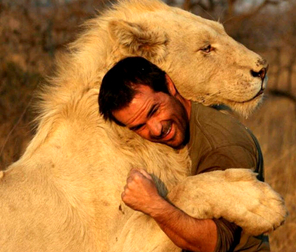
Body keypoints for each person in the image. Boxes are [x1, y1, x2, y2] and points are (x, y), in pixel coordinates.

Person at [98, 56, 269, 252]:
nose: (155, 129)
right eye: (139, 126)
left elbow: (213, 243)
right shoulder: (183, 124)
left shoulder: (220, 146)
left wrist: (152, 203)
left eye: (154, 110)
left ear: (169, 86)